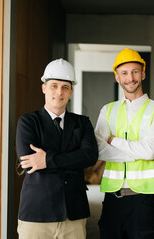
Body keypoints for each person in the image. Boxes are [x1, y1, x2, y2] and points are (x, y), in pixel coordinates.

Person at [16, 58, 98, 239]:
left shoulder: (82, 123)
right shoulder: (28, 122)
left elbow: (90, 156)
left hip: (73, 214)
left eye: (65, 87)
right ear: (44, 88)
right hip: (37, 213)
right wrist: (73, 158)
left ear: (71, 91)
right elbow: (29, 162)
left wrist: (47, 160)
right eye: (53, 86)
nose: (59, 92)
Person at [94, 48, 154, 238]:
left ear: (143, 74)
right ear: (117, 77)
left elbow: (150, 151)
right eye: (124, 73)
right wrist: (139, 151)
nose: (130, 78)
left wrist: (113, 140)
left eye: (135, 71)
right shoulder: (107, 110)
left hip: (142, 200)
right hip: (112, 198)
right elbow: (98, 149)